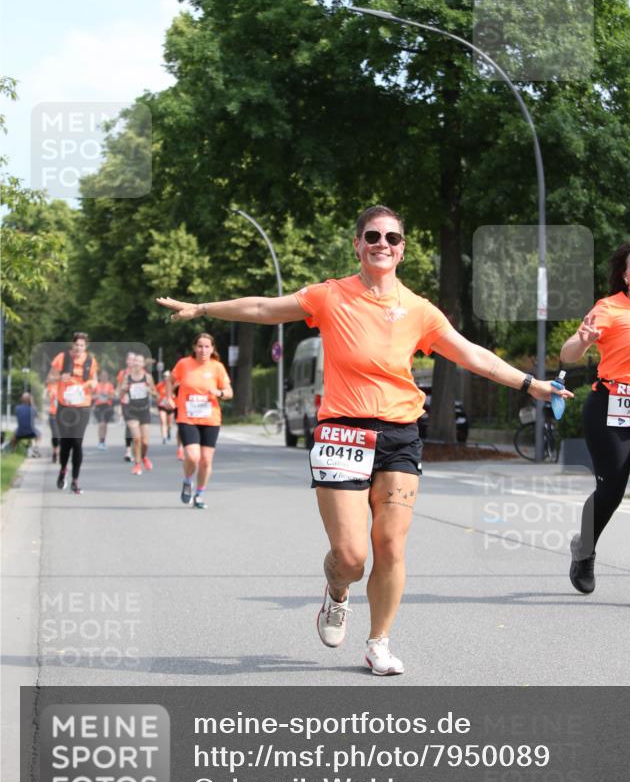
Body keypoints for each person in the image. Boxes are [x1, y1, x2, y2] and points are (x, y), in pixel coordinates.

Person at [158, 205, 571, 676]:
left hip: (399, 436)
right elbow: (263, 308)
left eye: (391, 238)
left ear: (403, 249)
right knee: (352, 557)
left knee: (391, 545)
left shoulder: (419, 310)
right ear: (356, 244)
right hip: (341, 433)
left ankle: (379, 642)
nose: (382, 244)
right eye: (372, 236)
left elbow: (471, 353)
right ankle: (337, 593)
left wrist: (529, 383)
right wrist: (203, 308)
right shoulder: (330, 296)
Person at [561, 239, 630, 606]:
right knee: (612, 491)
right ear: (624, 275)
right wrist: (584, 342)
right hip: (611, 407)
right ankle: (585, 551)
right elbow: (569, 352)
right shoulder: (608, 308)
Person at [166, 334, 233, 509]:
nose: (203, 350)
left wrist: (218, 393)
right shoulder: (184, 364)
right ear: (194, 348)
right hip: (187, 417)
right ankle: (188, 480)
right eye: (200, 346)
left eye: (207, 347)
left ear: (212, 349)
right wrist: (169, 397)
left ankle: (200, 493)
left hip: (211, 419)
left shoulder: (217, 367)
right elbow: (170, 380)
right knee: (193, 457)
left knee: (206, 461)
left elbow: (229, 392)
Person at [47, 332, 98, 494]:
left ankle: (75, 480)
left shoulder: (90, 361)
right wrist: (61, 378)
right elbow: (50, 379)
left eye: (82, 346)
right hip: (65, 404)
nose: (79, 348)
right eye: (76, 345)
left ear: (86, 347)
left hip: (82, 405)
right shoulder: (62, 358)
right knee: (66, 443)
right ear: (72, 345)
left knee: (77, 442)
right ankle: (63, 469)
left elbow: (94, 381)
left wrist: (88, 385)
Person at [120, 353, 157, 475]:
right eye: (135, 361)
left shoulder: (147, 377)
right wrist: (123, 388)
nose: (137, 363)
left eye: (139, 361)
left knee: (145, 442)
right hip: (131, 411)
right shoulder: (127, 377)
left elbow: (156, 394)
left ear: (143, 364)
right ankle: (137, 465)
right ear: (132, 363)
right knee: (137, 439)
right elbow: (119, 392)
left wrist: (149, 390)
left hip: (144, 411)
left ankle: (144, 457)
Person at [116, 352, 136, 462]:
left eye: (133, 359)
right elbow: (119, 389)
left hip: (138, 403)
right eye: (130, 359)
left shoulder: (141, 373)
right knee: (129, 425)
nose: (131, 361)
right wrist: (119, 403)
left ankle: (136, 449)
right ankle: (128, 451)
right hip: (126, 402)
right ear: (126, 361)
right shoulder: (122, 373)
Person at [93, 369, 115, 450]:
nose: (104, 377)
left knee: (105, 425)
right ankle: (100, 442)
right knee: (101, 424)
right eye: (102, 376)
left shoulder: (110, 385)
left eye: (105, 376)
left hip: (107, 407)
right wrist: (98, 396)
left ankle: (103, 441)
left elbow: (112, 396)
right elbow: (92, 396)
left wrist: (106, 395)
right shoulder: (96, 386)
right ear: (100, 377)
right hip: (99, 407)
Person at [156, 370, 176, 444]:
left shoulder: (173, 385)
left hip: (171, 407)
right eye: (164, 376)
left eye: (167, 376)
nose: (166, 378)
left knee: (169, 423)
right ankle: (164, 437)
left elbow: (177, 394)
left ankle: (169, 430)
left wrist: (173, 396)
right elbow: (156, 393)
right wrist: (158, 397)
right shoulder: (159, 385)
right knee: (162, 421)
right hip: (162, 406)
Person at [46, 381, 60, 463]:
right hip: (53, 414)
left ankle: (60, 453)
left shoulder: (67, 385)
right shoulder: (51, 386)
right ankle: (55, 452)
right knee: (55, 435)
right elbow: (49, 394)